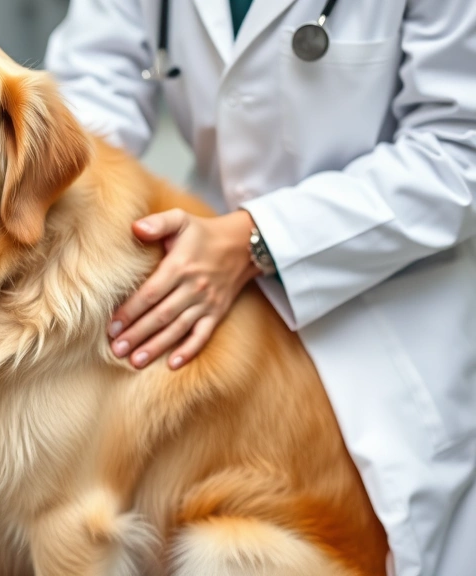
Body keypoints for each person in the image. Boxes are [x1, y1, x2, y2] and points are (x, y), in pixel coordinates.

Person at [45, 1, 476, 574]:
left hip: (386, 311)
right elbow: (90, 95)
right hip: (200, 284)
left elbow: (458, 151)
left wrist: (258, 238)